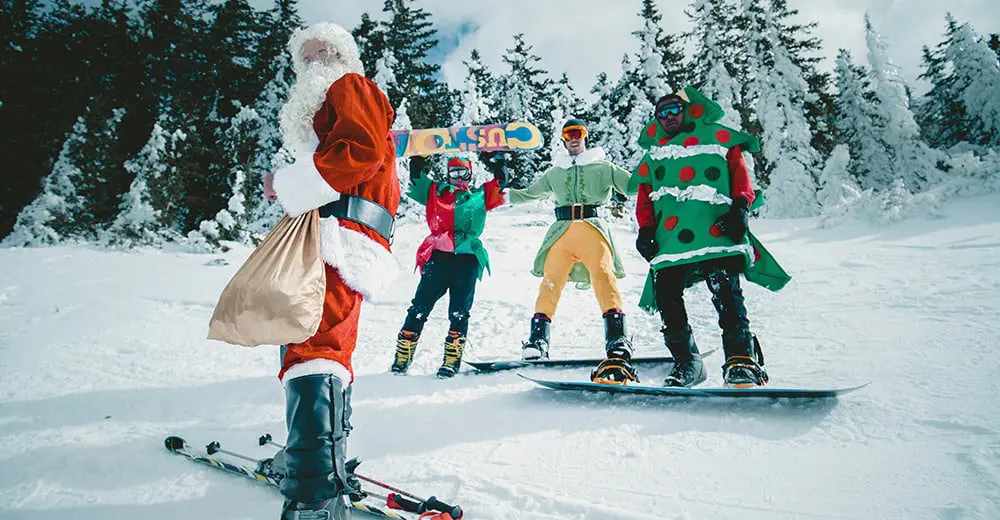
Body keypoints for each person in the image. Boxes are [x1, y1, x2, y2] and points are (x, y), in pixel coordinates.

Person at [262, 22, 399, 519]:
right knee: (323, 347)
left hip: (337, 235)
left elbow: (360, 153)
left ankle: (315, 487)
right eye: (307, 56)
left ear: (346, 57)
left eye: (326, 51)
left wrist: (285, 183)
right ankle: (323, 463)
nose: (316, 60)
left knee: (309, 343)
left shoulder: (350, 87)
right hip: (341, 236)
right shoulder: (332, 108)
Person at [630, 86, 790, 388]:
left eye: (674, 109)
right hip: (672, 239)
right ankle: (687, 362)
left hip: (716, 231)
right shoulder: (654, 154)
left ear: (687, 110)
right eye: (661, 113)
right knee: (667, 295)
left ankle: (741, 360)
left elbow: (738, 172)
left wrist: (741, 206)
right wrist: (646, 228)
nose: (668, 117)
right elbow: (644, 194)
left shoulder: (717, 138)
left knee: (727, 293)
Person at [506, 118, 639, 384]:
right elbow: (530, 194)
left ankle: (617, 341)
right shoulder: (555, 172)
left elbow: (634, 186)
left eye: (578, 133)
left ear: (585, 136)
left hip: (593, 228)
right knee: (550, 283)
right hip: (561, 232)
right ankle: (537, 342)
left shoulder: (604, 167)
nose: (574, 138)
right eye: (569, 134)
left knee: (603, 276)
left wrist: (656, 171)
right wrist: (501, 192)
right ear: (563, 140)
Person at [390, 154, 507, 378]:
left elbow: (501, 185)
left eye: (463, 172)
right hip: (439, 256)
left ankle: (451, 359)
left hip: (467, 257)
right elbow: (416, 178)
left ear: (470, 174)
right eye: (454, 172)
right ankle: (403, 354)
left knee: (459, 311)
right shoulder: (435, 191)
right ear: (447, 174)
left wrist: (499, 166)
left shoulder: (480, 195)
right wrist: (419, 157)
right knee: (420, 307)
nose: (458, 178)